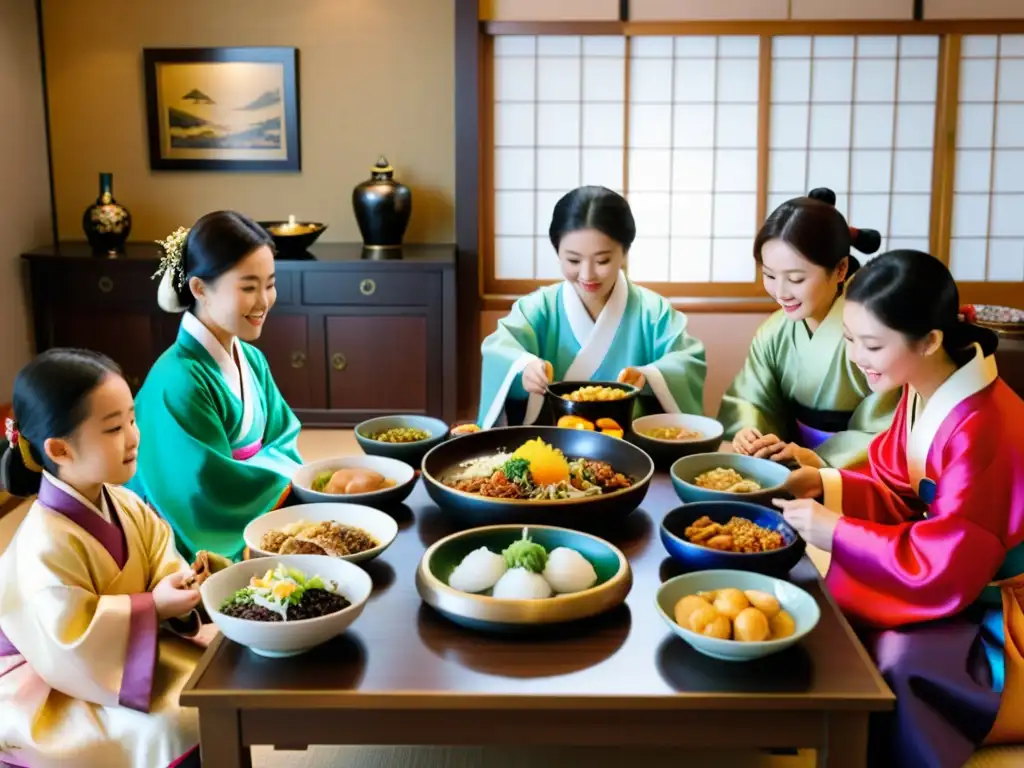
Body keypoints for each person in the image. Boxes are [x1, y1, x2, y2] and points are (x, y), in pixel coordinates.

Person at [775, 250, 1024, 768]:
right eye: (849, 340)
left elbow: (951, 557)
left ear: (931, 340)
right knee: (811, 593)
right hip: (941, 571)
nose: (856, 358)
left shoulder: (986, 427)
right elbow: (893, 485)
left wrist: (838, 531)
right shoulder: (923, 390)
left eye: (872, 345)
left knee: (899, 660)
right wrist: (823, 484)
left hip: (988, 600)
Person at [0, 349, 202, 768]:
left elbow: (161, 555)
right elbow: (72, 640)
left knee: (218, 674)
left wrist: (180, 581)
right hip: (54, 676)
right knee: (175, 720)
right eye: (113, 428)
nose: (133, 436)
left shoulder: (124, 503)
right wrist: (156, 606)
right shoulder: (44, 541)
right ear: (59, 449)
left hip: (121, 657)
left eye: (131, 419)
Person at [130, 211, 302, 561]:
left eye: (269, 284)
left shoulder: (251, 359)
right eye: (248, 287)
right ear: (199, 288)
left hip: (256, 506)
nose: (264, 301)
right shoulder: (177, 380)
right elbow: (205, 488)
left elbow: (283, 437)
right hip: (190, 537)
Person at [477, 185, 707, 428]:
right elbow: (499, 349)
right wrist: (523, 368)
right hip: (549, 444)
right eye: (573, 260)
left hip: (632, 447)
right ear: (558, 252)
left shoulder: (653, 312)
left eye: (602, 260)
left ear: (625, 252)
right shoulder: (538, 308)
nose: (587, 274)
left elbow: (687, 360)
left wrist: (651, 376)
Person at [717, 187, 900, 470]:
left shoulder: (874, 335)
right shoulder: (774, 332)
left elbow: (886, 429)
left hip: (854, 477)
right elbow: (751, 399)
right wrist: (749, 433)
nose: (780, 292)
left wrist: (820, 460)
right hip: (786, 468)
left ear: (840, 270)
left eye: (796, 279)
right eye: (769, 275)